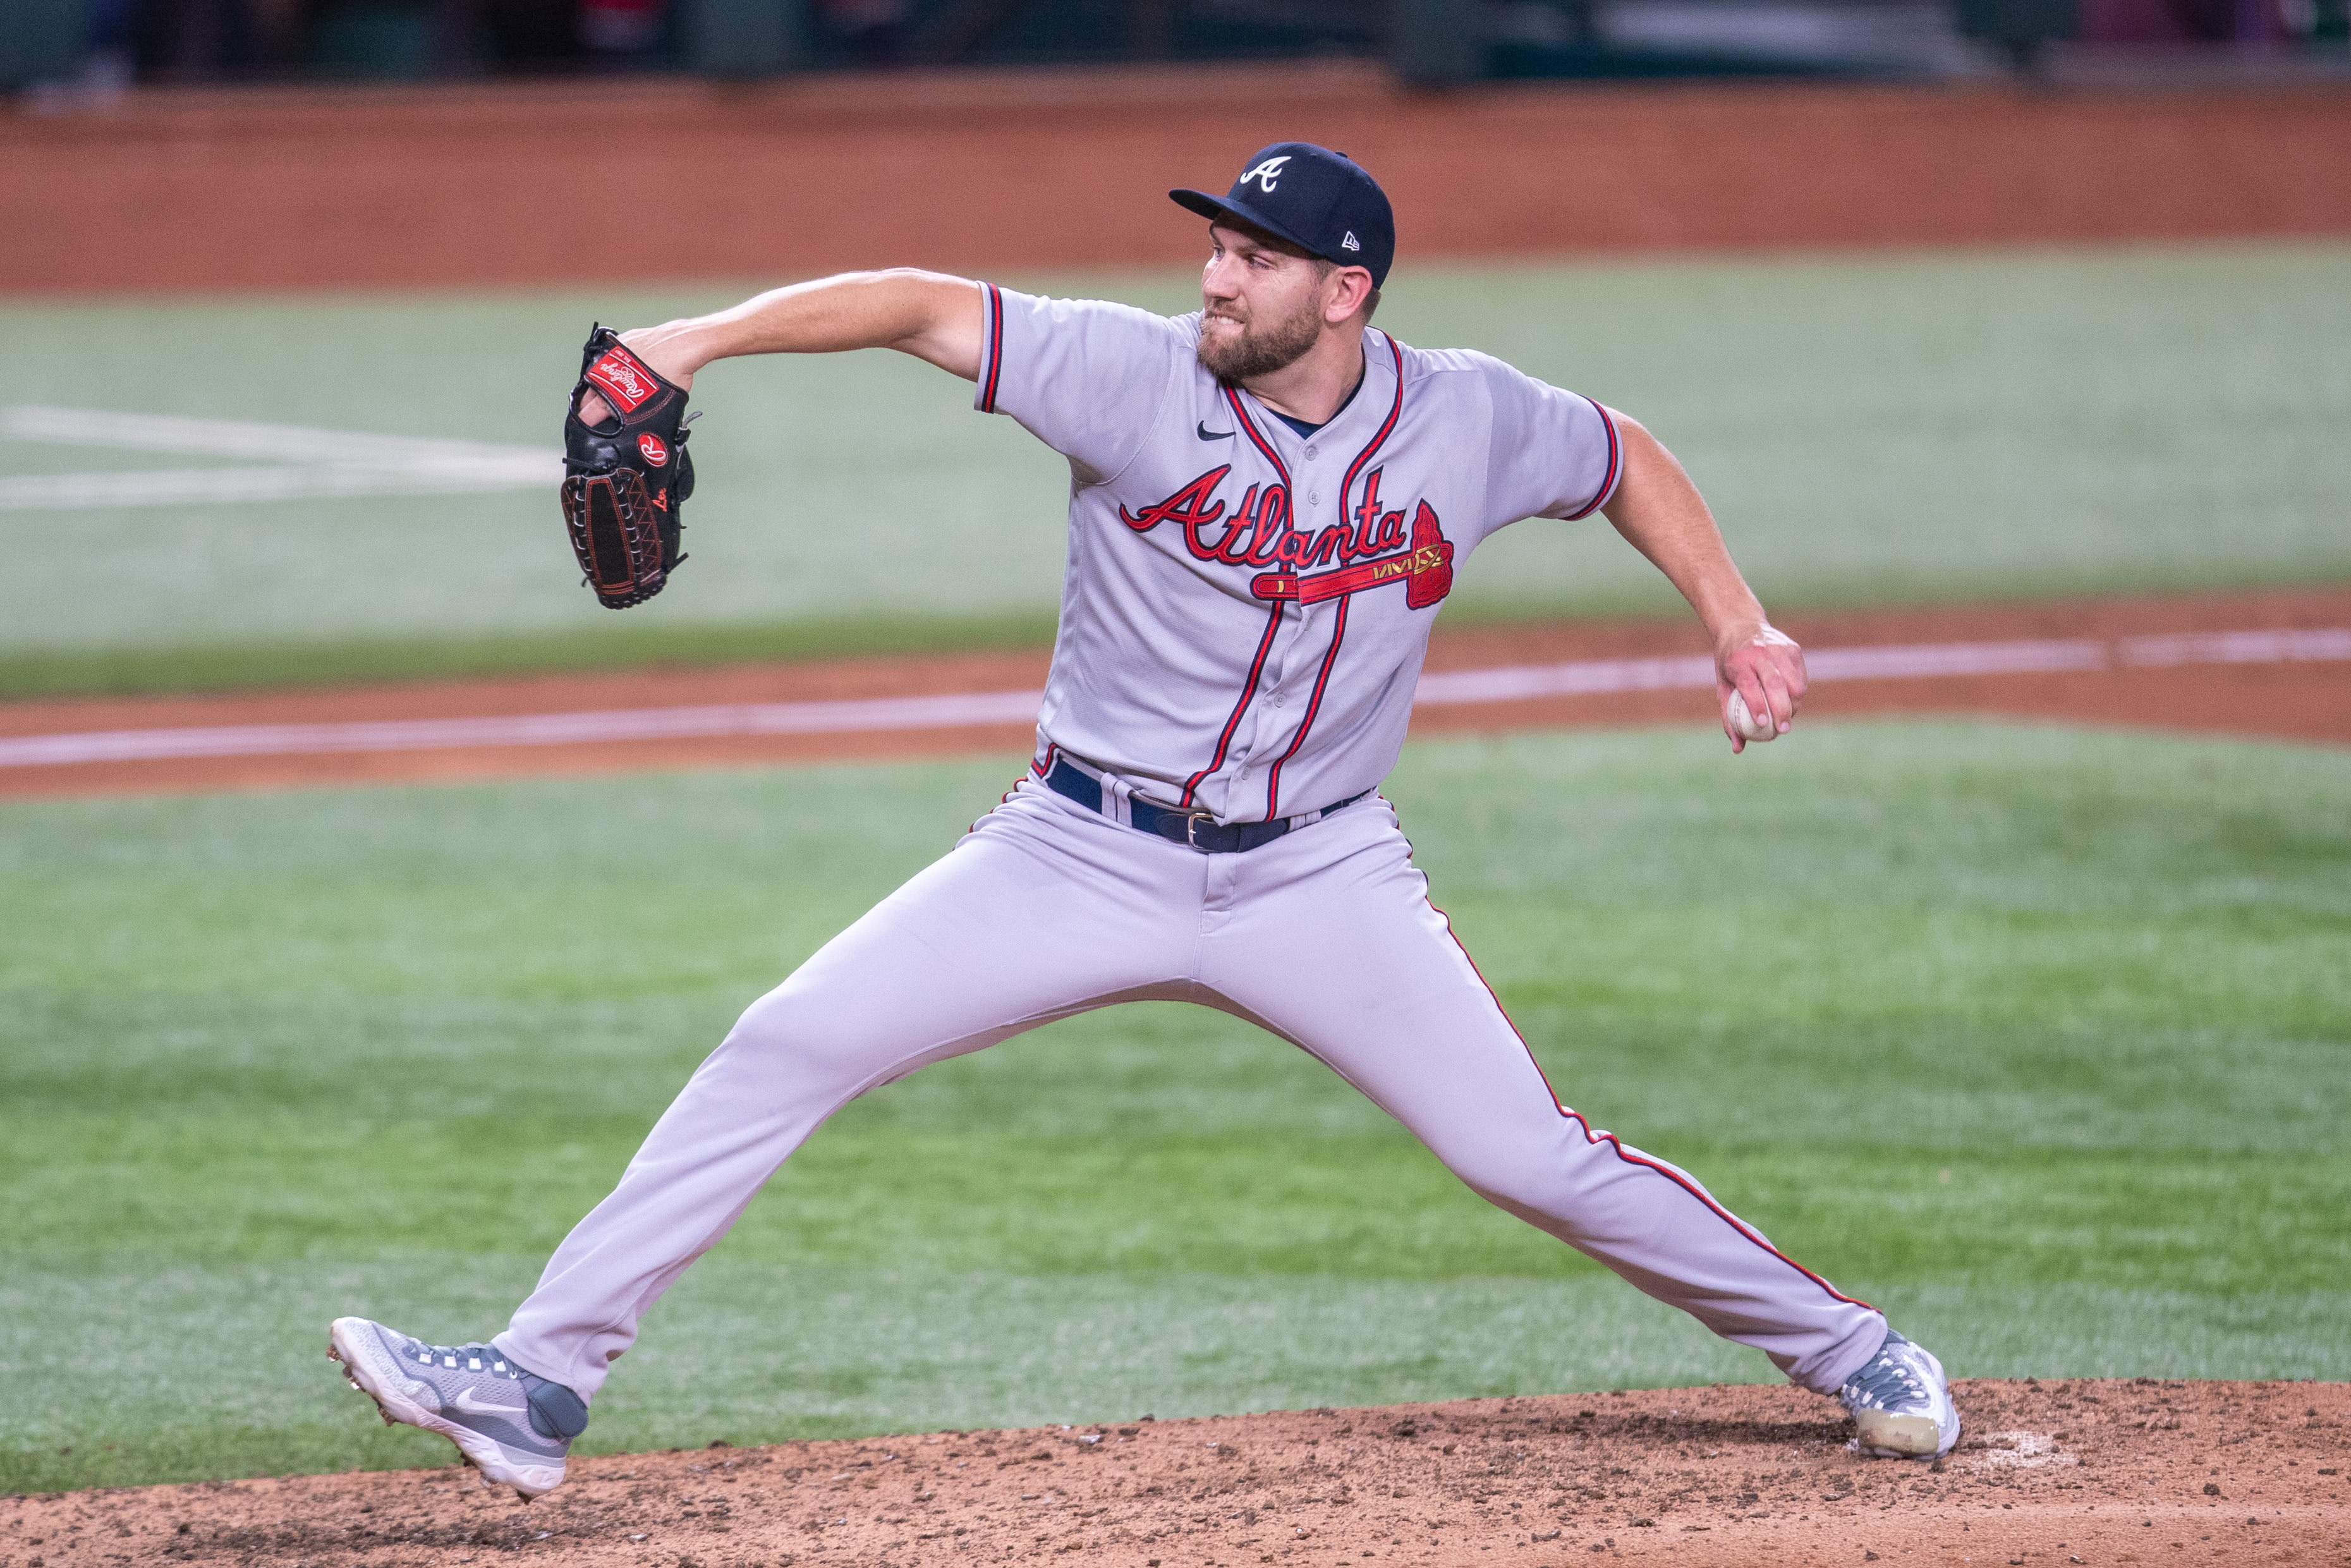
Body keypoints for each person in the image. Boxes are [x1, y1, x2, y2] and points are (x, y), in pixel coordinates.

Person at [329, 142, 1960, 1499]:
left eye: (1254, 257)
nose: (1215, 277)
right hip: (1078, 850)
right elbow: (912, 305)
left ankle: (1850, 1343)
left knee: (1523, 1149)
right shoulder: (1127, 375)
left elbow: (1622, 458)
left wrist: (1735, 619)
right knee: (787, 1038)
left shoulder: (1464, 416)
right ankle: (539, 1383)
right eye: (1216, 248)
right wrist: (686, 345)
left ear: (1346, 290)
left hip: (1321, 870)